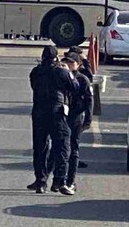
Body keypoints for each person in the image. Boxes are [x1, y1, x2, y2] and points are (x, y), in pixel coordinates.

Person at [27, 45, 78, 194]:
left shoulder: (36, 72)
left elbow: (33, 87)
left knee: (40, 148)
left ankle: (40, 182)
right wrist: (68, 72)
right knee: (62, 146)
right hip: (56, 113)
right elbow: (74, 86)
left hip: (38, 113)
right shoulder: (62, 72)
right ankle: (59, 181)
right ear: (56, 57)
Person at [64, 53, 93, 194]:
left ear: (78, 64)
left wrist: (88, 119)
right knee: (61, 148)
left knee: (73, 148)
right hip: (62, 117)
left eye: (71, 63)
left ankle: (70, 181)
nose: (69, 65)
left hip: (76, 116)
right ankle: (58, 180)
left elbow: (89, 100)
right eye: (66, 62)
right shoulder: (62, 76)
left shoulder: (83, 79)